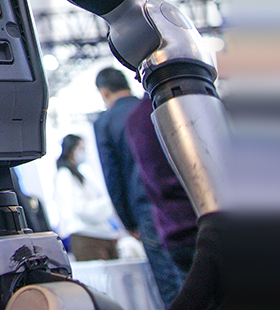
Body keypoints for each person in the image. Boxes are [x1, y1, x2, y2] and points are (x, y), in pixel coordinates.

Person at [94, 67, 185, 302]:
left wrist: (128, 221)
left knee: (169, 284)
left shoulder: (105, 122)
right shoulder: (149, 106)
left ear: (104, 92)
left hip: (145, 209)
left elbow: (112, 175)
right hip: (177, 201)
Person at [126, 96, 197, 278]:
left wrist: (129, 222)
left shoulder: (136, 118)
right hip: (203, 225)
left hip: (171, 228)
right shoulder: (186, 102)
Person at [54, 134, 119, 261]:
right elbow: (81, 209)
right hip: (86, 236)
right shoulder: (65, 176)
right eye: (81, 149)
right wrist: (108, 202)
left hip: (101, 234)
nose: (84, 153)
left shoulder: (80, 175)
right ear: (71, 150)